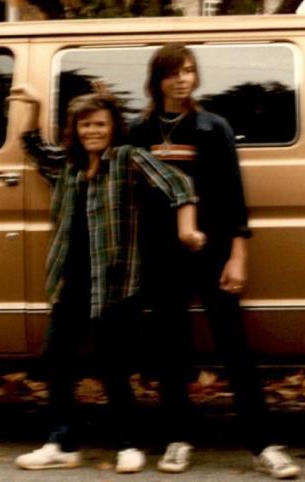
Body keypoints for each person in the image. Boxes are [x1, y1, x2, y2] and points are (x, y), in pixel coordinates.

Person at [128, 43, 301, 479]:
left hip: (212, 250)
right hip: (161, 256)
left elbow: (233, 196)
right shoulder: (139, 129)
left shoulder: (212, 127)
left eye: (188, 71)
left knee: (234, 348)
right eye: (173, 73)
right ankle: (176, 439)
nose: (182, 79)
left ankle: (263, 444)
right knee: (171, 349)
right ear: (158, 80)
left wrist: (237, 256)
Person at [13, 88, 205, 473]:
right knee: (55, 361)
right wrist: (33, 107)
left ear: (113, 126)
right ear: (76, 129)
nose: (92, 131)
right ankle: (63, 444)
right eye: (85, 125)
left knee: (112, 366)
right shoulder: (67, 165)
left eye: (100, 124)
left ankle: (128, 444)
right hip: (71, 282)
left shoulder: (128, 159)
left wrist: (188, 229)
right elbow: (32, 146)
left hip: (116, 283)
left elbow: (179, 186)